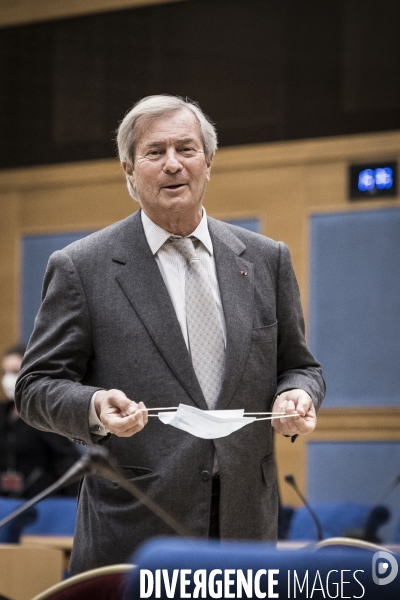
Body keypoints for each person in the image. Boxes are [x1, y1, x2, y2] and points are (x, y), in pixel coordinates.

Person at [15, 95, 325, 573]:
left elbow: (299, 366)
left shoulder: (267, 259)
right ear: (129, 171)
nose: (173, 164)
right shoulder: (82, 267)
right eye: (154, 152)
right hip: (135, 529)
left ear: (208, 163)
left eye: (186, 149)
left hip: (245, 528)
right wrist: (94, 407)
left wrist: (297, 395)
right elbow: (34, 388)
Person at [0, 344, 81, 499]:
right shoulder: (3, 412)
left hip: (40, 501)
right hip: (5, 501)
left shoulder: (43, 414)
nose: (8, 379)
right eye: (5, 373)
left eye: (15, 372)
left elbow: (67, 459)